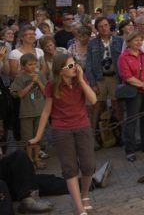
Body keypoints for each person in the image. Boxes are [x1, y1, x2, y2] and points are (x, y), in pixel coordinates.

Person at [29, 53, 97, 215]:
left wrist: (81, 80)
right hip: (61, 130)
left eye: (75, 63)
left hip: (82, 126)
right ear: (61, 70)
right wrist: (38, 136)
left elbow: (93, 100)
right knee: (70, 168)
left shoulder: (80, 80)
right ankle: (79, 206)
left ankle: (85, 195)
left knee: (88, 165)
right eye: (71, 66)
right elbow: (46, 111)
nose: (75, 68)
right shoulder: (52, 85)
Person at [118, 30, 144, 162]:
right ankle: (130, 150)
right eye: (136, 40)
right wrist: (143, 85)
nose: (139, 42)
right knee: (132, 120)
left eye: (140, 40)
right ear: (129, 42)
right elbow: (126, 76)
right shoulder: (124, 57)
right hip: (133, 92)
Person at [86, 16, 124, 148]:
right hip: (100, 78)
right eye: (101, 26)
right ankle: (93, 137)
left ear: (109, 26)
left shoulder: (119, 40)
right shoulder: (93, 44)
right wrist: (93, 83)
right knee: (97, 106)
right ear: (97, 29)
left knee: (117, 106)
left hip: (115, 77)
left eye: (106, 25)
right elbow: (89, 64)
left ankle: (120, 135)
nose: (104, 28)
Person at [9, 53, 47, 168]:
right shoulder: (20, 78)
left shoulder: (40, 74)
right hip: (26, 113)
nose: (33, 66)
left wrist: (38, 81)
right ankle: (29, 161)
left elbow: (46, 92)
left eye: (35, 64)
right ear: (23, 66)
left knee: (38, 137)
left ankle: (37, 158)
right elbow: (19, 94)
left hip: (40, 111)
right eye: (30, 64)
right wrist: (31, 83)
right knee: (28, 139)